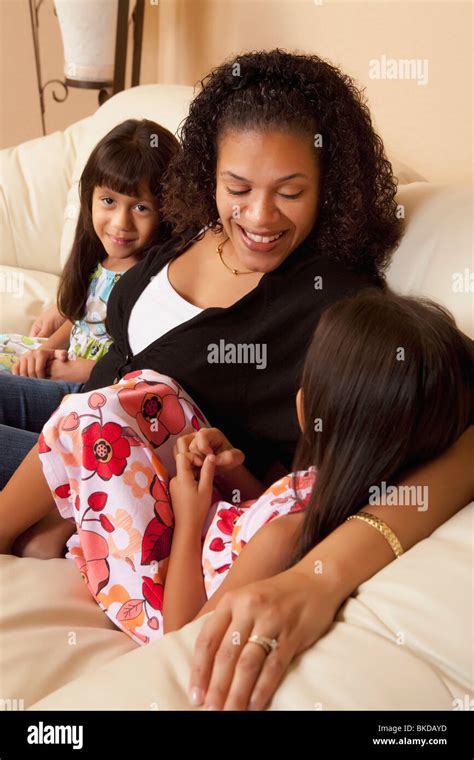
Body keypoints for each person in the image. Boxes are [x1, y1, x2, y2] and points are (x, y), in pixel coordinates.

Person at [2, 48, 473, 708]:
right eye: (238, 189)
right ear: (208, 176)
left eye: (289, 192)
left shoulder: (328, 305)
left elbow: (335, 462)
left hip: (120, 463)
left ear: (328, 182)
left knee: (108, 409)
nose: (258, 217)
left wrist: (320, 570)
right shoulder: (194, 231)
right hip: (87, 410)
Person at [0, 290, 472, 646]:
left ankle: (45, 531)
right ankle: (53, 533)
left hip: (165, 587)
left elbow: (183, 633)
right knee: (155, 392)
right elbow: (259, 513)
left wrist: (189, 517)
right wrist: (234, 474)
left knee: (90, 419)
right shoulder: (340, 484)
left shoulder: (285, 537)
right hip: (208, 522)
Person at [0, 118, 179, 486]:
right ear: (90, 198)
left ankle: (50, 478)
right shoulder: (100, 259)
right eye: (108, 201)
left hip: (92, 395)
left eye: (140, 208)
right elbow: (82, 316)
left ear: (167, 211)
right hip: (68, 376)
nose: (120, 223)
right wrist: (46, 350)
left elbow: (137, 371)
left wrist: (75, 368)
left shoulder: (155, 279)